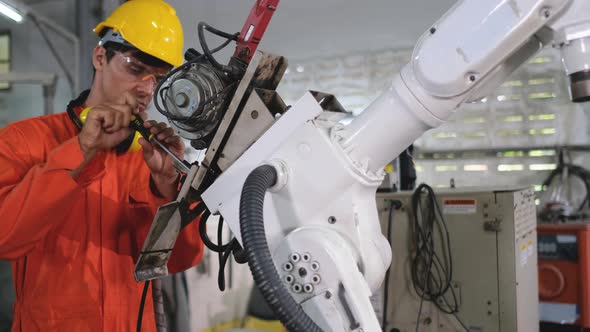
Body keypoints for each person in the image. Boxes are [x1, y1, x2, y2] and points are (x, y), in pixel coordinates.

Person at [0, 0, 204, 330]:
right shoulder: (24, 141)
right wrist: (81, 151)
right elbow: (5, 238)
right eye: (135, 69)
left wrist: (167, 187)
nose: (145, 89)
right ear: (100, 58)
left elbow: (180, 258)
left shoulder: (153, 160)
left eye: (157, 80)